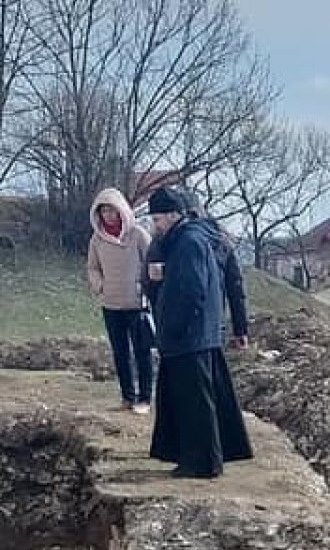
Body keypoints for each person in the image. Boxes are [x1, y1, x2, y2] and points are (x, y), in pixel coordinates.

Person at [145, 187, 253, 479]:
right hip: (198, 334)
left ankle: (202, 462)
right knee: (197, 399)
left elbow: (191, 290)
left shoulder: (189, 242)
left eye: (157, 220)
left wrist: (174, 327)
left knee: (195, 402)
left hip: (189, 336)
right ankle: (199, 457)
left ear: (172, 215)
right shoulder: (191, 239)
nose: (155, 226)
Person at [142, 189, 250, 349]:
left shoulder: (166, 241)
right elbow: (235, 286)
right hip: (211, 322)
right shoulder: (219, 240)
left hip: (178, 325)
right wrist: (240, 328)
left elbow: (151, 284)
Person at [86, 188, 154, 414]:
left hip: (136, 305)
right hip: (111, 304)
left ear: (121, 210)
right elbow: (92, 267)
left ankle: (145, 398)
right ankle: (128, 396)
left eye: (112, 210)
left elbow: (152, 261)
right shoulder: (96, 239)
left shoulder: (137, 234)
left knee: (142, 351)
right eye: (104, 211)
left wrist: (144, 287)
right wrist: (100, 286)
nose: (108, 215)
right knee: (120, 352)